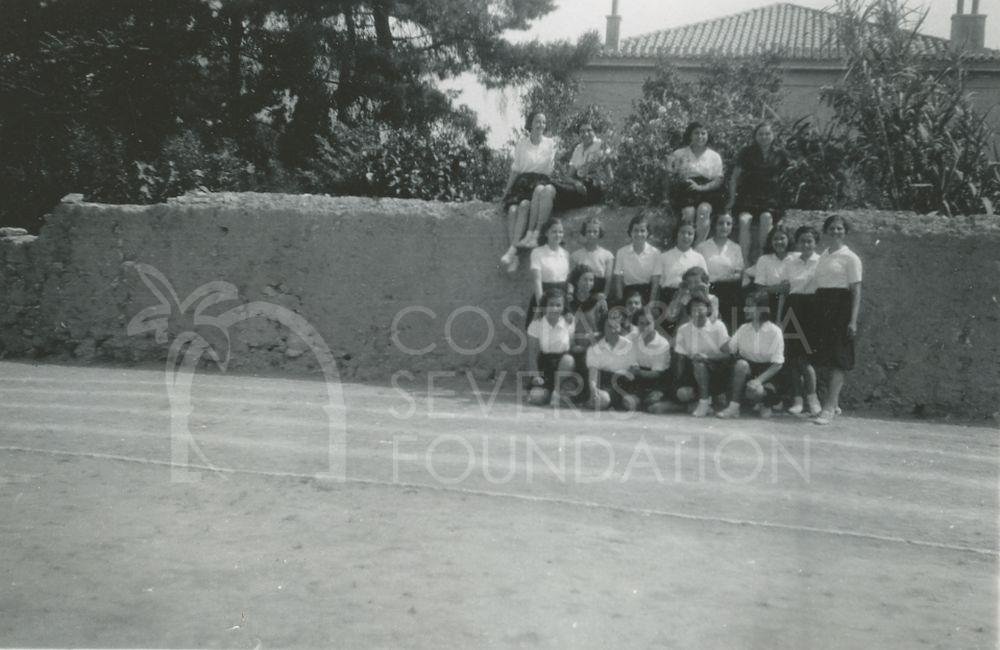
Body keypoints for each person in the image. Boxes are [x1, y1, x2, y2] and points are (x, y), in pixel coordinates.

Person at [810, 215, 863, 425]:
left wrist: (853, 320)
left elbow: (856, 291)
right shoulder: (823, 255)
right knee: (825, 358)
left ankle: (829, 407)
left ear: (845, 231)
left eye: (840, 229)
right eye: (832, 228)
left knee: (839, 359)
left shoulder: (851, 258)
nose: (835, 232)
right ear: (826, 231)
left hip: (841, 308)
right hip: (823, 306)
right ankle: (834, 403)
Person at [499, 111, 557, 272]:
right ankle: (514, 254)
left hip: (539, 182)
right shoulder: (522, 143)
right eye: (537, 121)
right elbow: (515, 169)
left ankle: (512, 251)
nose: (541, 125)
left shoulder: (550, 143)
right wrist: (506, 192)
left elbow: (549, 170)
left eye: (543, 122)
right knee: (512, 210)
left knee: (524, 205)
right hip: (522, 182)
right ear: (530, 123)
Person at [726, 121, 790, 264]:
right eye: (760, 134)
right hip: (747, 197)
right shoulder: (747, 153)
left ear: (773, 136)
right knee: (744, 220)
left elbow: (789, 179)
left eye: (768, 133)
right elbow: (734, 178)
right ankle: (745, 264)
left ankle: (762, 261)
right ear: (755, 136)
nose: (764, 137)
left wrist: (785, 204)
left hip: (770, 199)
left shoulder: (781, 154)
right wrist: (732, 199)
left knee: (766, 218)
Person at [717, 292, 785, 419]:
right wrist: (718, 328)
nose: (745, 309)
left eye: (749, 306)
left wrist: (758, 380)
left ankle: (765, 403)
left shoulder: (775, 331)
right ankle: (734, 407)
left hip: (768, 373)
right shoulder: (743, 328)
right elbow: (729, 349)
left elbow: (777, 364)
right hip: (748, 370)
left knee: (756, 392)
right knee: (741, 364)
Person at [779, 225, 821, 416]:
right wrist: (781, 318)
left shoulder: (821, 262)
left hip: (812, 310)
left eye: (810, 241)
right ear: (797, 242)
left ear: (815, 242)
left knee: (806, 359)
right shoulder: (790, 262)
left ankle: (812, 399)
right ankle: (797, 400)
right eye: (802, 240)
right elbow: (784, 292)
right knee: (791, 358)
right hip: (792, 307)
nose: (806, 244)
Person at [673, 294, 732, 417]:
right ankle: (705, 400)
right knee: (682, 394)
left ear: (708, 310)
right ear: (689, 312)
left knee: (700, 364)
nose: (698, 312)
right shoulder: (683, 329)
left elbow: (728, 354)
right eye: (694, 309)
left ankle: (705, 403)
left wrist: (707, 357)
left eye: (701, 308)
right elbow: (681, 359)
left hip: (717, 370)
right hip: (694, 373)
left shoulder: (718, 326)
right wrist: (679, 383)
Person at [668, 121, 725, 244]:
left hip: (708, 191)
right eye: (696, 133)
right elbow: (669, 174)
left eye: (703, 133)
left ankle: (698, 247)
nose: (700, 136)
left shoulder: (714, 156)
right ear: (690, 135)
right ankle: (685, 246)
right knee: (689, 213)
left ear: (708, 135)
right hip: (686, 191)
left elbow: (718, 180)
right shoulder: (679, 153)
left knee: (703, 211)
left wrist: (701, 188)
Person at [526, 289, 576, 407]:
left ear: (563, 307)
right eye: (551, 305)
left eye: (558, 305)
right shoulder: (536, 324)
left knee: (568, 359)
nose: (555, 308)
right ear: (545, 306)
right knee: (536, 398)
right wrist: (536, 376)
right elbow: (532, 354)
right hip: (545, 365)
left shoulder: (568, 322)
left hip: (564, 366)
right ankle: (549, 392)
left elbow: (572, 346)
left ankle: (558, 392)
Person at [696, 212, 745, 333]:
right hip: (709, 291)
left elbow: (739, 274)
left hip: (730, 292)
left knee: (730, 327)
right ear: (714, 225)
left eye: (728, 224)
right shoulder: (702, 247)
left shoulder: (735, 248)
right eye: (721, 223)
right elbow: (698, 272)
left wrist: (719, 278)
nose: (725, 227)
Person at [568, 264, 608, 401]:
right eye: (584, 279)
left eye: (591, 280)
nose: (588, 283)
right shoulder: (568, 303)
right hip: (573, 347)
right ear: (576, 281)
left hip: (593, 347)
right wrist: (573, 345)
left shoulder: (598, 302)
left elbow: (605, 329)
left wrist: (593, 340)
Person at [586, 308, 639, 411]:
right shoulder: (594, 348)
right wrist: (593, 390)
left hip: (625, 384)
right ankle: (594, 401)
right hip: (606, 385)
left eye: (616, 326)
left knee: (631, 404)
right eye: (609, 327)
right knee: (603, 399)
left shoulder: (629, 345)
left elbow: (634, 370)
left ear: (621, 327)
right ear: (603, 328)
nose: (613, 330)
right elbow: (593, 374)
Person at [651, 220, 708, 307]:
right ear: (676, 234)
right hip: (668, 298)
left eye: (690, 233)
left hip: (692, 299)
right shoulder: (663, 257)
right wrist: (652, 304)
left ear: (694, 237)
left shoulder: (699, 258)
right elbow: (655, 285)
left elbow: (705, 283)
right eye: (682, 232)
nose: (686, 236)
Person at [525, 218, 570, 327]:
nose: (558, 235)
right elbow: (537, 280)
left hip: (561, 299)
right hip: (544, 296)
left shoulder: (565, 254)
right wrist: (542, 306)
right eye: (554, 231)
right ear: (546, 233)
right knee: (540, 331)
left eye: (560, 232)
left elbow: (567, 279)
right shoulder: (537, 252)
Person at [555, 121, 610, 209]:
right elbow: (569, 175)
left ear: (594, 132)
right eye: (582, 131)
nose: (585, 134)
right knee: (559, 190)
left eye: (589, 130)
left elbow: (608, 166)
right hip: (580, 186)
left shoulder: (600, 144)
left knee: (558, 191)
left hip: (594, 186)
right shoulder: (578, 149)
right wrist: (576, 183)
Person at [746, 225, 796, 318]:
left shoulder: (796, 257)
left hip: (793, 302)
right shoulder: (764, 259)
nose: (779, 242)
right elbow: (760, 288)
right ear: (771, 241)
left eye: (782, 238)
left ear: (789, 239)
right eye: (775, 239)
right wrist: (778, 288)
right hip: (771, 303)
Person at [628, 307, 672, 411]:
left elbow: (657, 373)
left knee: (653, 407)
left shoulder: (662, 343)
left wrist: (637, 372)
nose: (644, 327)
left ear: (655, 323)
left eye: (648, 323)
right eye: (641, 323)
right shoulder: (632, 337)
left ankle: (677, 406)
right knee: (629, 404)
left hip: (657, 380)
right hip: (637, 380)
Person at [611, 214, 659, 305]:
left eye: (642, 231)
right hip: (628, 292)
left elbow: (655, 282)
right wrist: (621, 301)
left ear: (648, 233)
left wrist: (651, 303)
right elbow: (618, 279)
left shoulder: (656, 253)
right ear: (630, 232)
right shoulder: (621, 252)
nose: (639, 234)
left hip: (647, 293)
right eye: (635, 230)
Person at [663, 266, 720, 334]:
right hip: (684, 335)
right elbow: (670, 317)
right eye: (689, 283)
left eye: (696, 282)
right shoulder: (684, 298)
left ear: (704, 283)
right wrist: (680, 296)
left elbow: (712, 319)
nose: (693, 286)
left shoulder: (712, 299)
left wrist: (704, 296)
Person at [569, 217, 615, 295]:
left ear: (600, 233)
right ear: (584, 233)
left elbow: (608, 280)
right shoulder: (575, 256)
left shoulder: (607, 255)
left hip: (599, 294)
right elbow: (572, 280)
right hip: (580, 295)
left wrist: (605, 295)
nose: (591, 234)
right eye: (589, 231)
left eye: (595, 232)